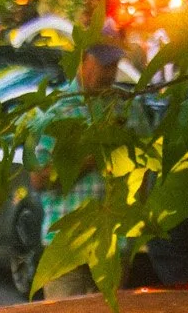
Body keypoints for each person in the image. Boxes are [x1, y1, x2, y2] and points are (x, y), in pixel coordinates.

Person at [30, 43, 122, 299]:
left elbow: (147, 168)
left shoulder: (125, 107)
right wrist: (86, 161)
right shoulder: (58, 111)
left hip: (111, 246)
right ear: (84, 60)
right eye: (104, 64)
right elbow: (38, 177)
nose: (110, 73)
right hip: (66, 247)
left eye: (114, 66)